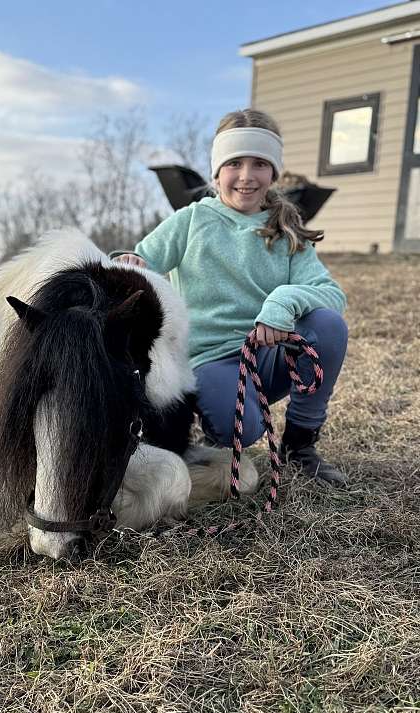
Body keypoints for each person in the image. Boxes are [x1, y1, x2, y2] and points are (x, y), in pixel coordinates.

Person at [117, 108, 348, 486]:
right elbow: (139, 260)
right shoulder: (192, 220)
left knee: (327, 324)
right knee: (240, 432)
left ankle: (300, 444)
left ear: (273, 173)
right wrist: (130, 262)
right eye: (234, 163)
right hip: (209, 360)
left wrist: (283, 302)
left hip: (270, 354)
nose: (246, 176)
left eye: (259, 163)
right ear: (216, 172)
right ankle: (213, 417)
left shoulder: (286, 230)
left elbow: (331, 294)